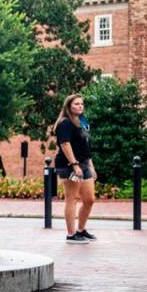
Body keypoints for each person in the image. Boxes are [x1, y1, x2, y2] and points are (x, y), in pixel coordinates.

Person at [53, 94, 97, 244]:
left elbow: (85, 144)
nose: (80, 106)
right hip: (69, 166)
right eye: (76, 104)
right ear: (69, 106)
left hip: (84, 164)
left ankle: (81, 230)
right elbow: (65, 144)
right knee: (72, 198)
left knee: (89, 199)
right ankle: (71, 235)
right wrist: (74, 164)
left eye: (82, 104)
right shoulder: (64, 123)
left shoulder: (82, 121)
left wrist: (90, 165)